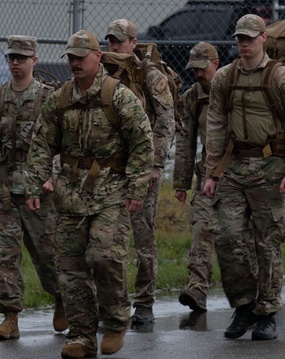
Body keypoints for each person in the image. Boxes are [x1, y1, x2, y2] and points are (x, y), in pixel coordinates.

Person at [25, 30, 153, 359]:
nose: (75, 63)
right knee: (69, 266)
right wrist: (35, 184)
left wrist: (137, 187)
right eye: (71, 57)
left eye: (81, 57)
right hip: (69, 194)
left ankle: (114, 321)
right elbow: (40, 144)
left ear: (98, 57)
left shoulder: (118, 96)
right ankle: (82, 334)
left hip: (111, 191)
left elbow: (142, 142)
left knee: (105, 257)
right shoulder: (61, 98)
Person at [203, 14, 285, 340]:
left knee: (267, 243)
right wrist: (211, 173)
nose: (244, 43)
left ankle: (268, 311)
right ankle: (244, 304)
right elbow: (217, 125)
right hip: (235, 168)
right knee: (228, 237)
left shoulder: (283, 77)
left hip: (271, 168)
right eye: (239, 38)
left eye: (250, 37)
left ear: (264, 37)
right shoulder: (224, 77)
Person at [0, 35, 66, 341]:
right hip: (4, 191)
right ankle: (10, 317)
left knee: (47, 254)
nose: (16, 63)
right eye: (12, 57)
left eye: (22, 58)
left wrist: (53, 177)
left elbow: (63, 144)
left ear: (34, 61)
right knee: (5, 255)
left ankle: (63, 299)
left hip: (40, 190)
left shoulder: (49, 99)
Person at [104, 19, 175, 327]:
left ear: (133, 43)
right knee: (104, 240)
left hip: (141, 170)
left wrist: (155, 164)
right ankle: (109, 303)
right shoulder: (103, 73)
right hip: (107, 170)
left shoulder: (150, 76)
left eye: (120, 41)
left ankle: (144, 302)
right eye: (110, 41)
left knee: (142, 236)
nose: (114, 46)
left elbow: (165, 121)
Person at [174, 42, 220, 313]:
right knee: (202, 227)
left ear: (215, 64)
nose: (199, 74)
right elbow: (186, 141)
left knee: (240, 237)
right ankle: (197, 288)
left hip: (239, 174)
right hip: (206, 176)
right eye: (195, 69)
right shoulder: (192, 96)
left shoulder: (232, 89)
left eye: (203, 69)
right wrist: (181, 182)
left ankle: (257, 295)